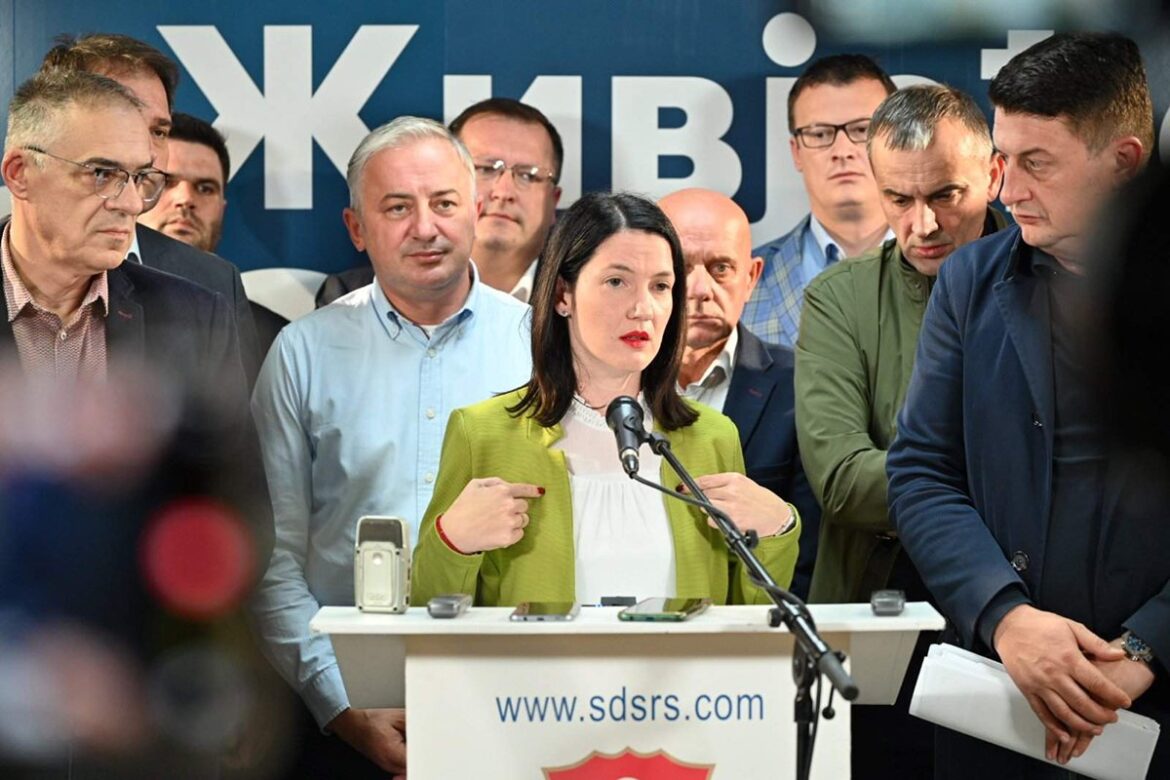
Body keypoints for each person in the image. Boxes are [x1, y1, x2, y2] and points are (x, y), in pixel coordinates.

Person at [886, 33, 1166, 777]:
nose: (1007, 192)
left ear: (1125, 162)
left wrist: (1148, 647)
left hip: (1151, 711)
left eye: (1037, 163)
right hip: (996, 700)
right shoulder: (969, 281)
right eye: (1001, 160)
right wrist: (1004, 616)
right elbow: (920, 471)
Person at [0, 68, 271, 776]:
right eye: (101, 175)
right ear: (20, 173)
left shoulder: (193, 313)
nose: (129, 203)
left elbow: (236, 515)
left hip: (142, 731)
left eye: (139, 178)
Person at [250, 116, 532, 776]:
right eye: (398, 208)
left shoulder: (539, 346)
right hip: (340, 716)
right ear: (356, 228)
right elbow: (270, 559)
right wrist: (343, 704)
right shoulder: (303, 352)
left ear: (476, 209)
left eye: (445, 203)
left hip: (510, 705)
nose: (426, 228)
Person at [412, 192, 799, 607]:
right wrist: (453, 541)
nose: (643, 308)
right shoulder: (482, 434)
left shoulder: (713, 437)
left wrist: (778, 530)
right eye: (617, 282)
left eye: (660, 286)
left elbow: (752, 622)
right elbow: (427, 612)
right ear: (562, 295)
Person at [796, 84, 1006, 779]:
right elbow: (839, 480)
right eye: (899, 199)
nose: (923, 224)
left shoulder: (1060, 283)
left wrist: (919, 476)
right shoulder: (840, 298)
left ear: (993, 174)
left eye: (946, 195)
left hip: (1024, 626)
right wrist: (1008, 482)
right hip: (877, 624)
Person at [40, 33, 262, 385]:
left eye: (158, 131)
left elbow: (228, 419)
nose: (144, 150)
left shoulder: (213, 285)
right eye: (121, 119)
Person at [658, 187, 820, 600]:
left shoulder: (802, 386)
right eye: (680, 267)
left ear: (751, 278)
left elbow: (812, 553)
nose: (700, 289)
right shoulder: (609, 385)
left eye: (721, 268)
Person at [316, 98, 562, 307]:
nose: (503, 191)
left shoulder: (575, 299)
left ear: (554, 201)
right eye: (485, 169)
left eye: (528, 175)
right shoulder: (350, 299)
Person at [742, 54, 895, 347]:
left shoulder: (951, 271)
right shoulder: (743, 285)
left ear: (897, 140)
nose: (842, 151)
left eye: (862, 130)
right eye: (820, 134)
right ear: (796, 152)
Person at [138, 111, 287, 357]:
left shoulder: (274, 339)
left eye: (205, 188)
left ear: (222, 208)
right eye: (166, 182)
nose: (185, 199)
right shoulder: (87, 306)